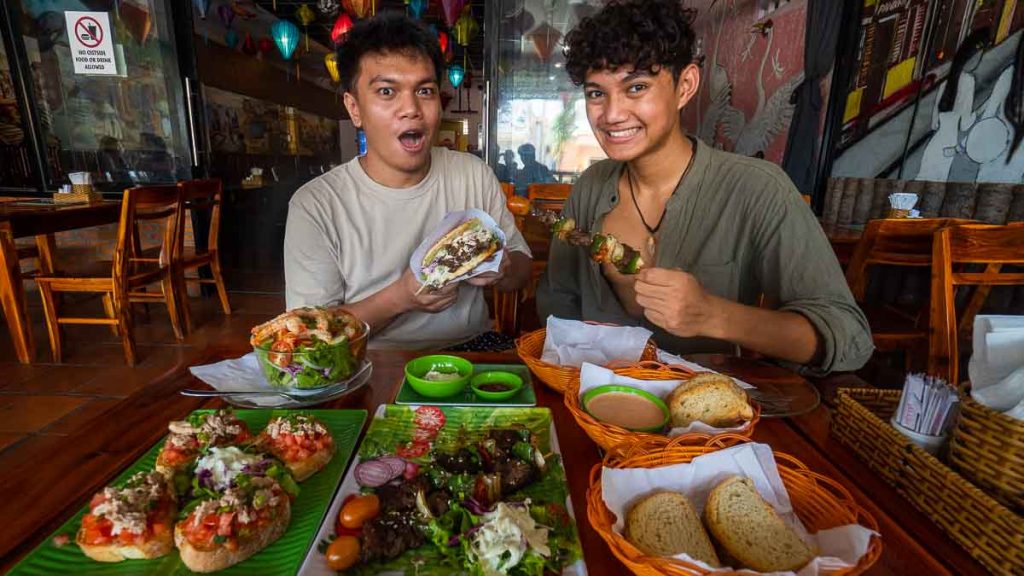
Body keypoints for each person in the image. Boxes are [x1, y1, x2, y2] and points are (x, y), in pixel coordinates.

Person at [536, 0, 872, 374]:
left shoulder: (757, 189)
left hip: (709, 421)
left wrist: (715, 315)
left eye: (636, 87)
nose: (612, 115)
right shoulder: (589, 189)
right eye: (596, 93)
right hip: (597, 410)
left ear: (686, 86)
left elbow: (849, 337)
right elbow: (557, 302)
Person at [284, 12, 532, 351]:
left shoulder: (472, 174)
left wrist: (502, 267)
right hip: (368, 358)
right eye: (387, 91)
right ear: (354, 108)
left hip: (471, 346)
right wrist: (401, 297)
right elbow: (310, 334)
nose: (411, 108)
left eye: (425, 90)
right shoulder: (316, 205)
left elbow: (523, 267)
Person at [915, 29, 988, 182]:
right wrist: (980, 110)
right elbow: (964, 125)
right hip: (948, 146)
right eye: (978, 58)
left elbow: (934, 124)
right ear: (971, 58)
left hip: (934, 145)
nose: (978, 62)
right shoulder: (969, 81)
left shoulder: (946, 82)